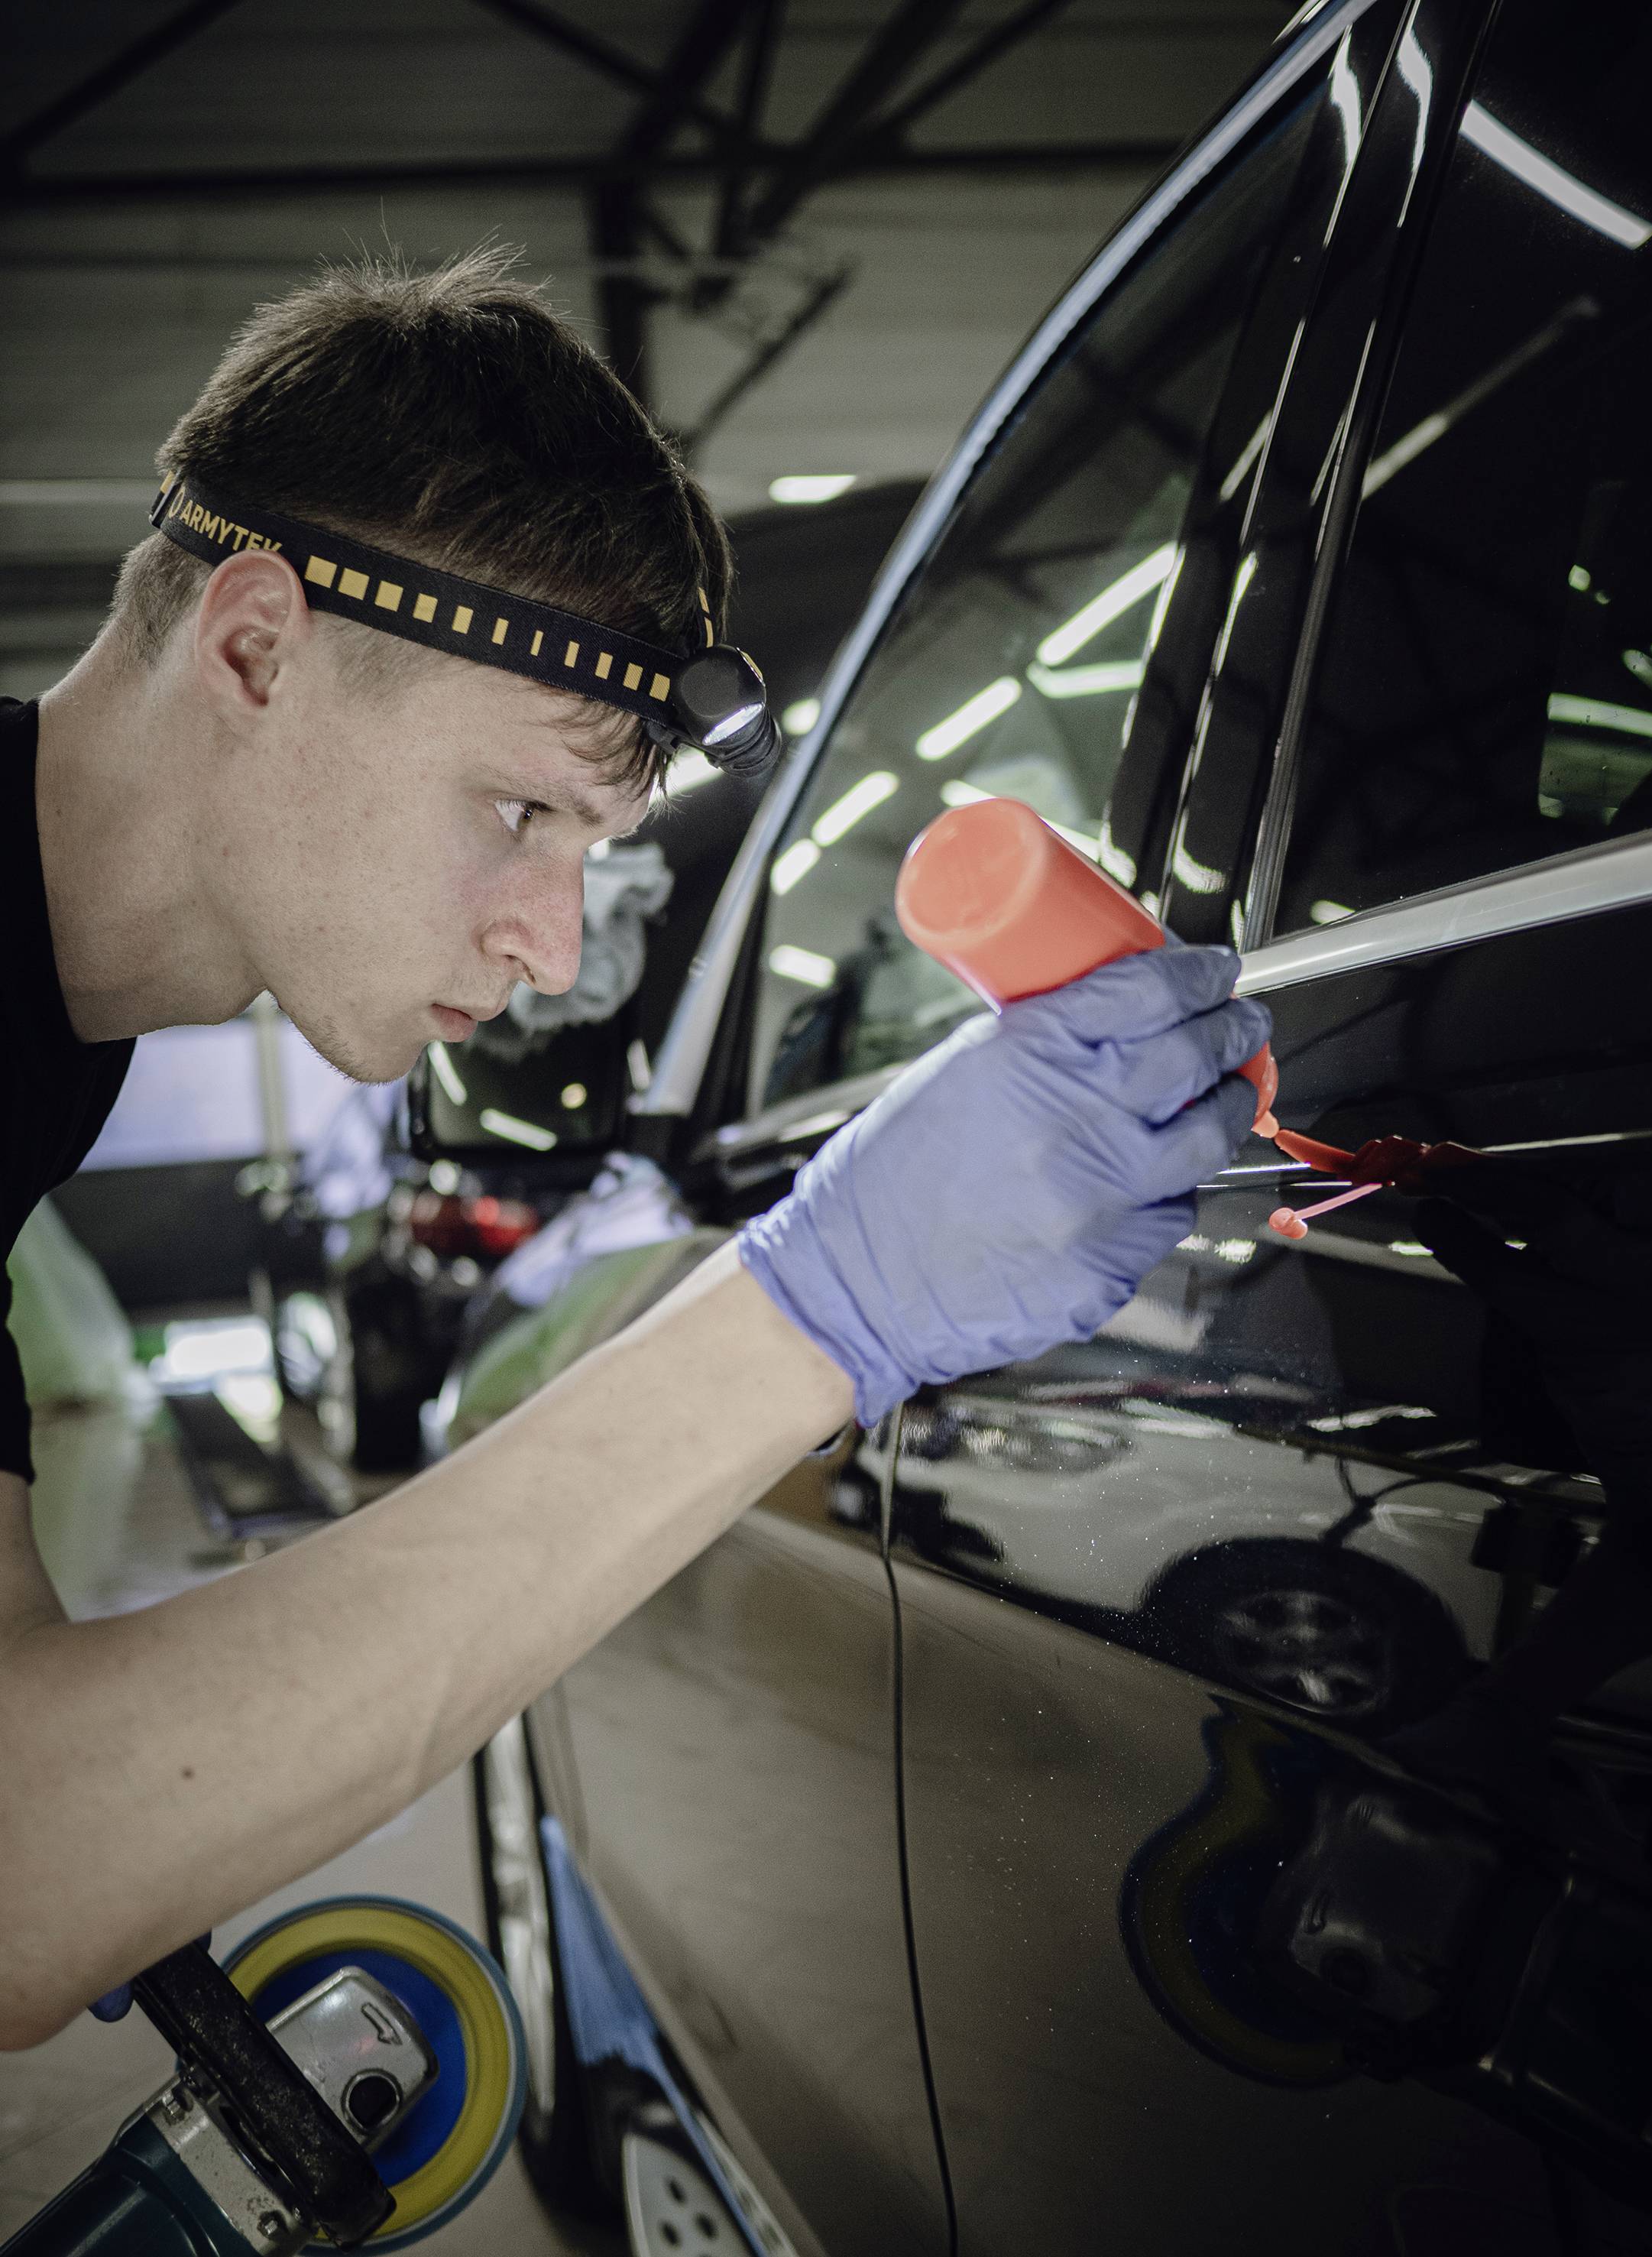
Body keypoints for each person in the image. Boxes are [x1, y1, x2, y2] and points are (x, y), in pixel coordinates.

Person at [0, 247, 1268, 2048]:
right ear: (256, 646)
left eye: (589, 849)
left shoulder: (58, 1034)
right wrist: (817, 1304)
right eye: (516, 809)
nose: (559, 946)